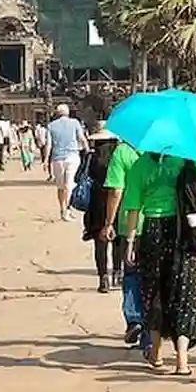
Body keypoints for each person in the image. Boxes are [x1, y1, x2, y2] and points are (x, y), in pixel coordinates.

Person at [123, 152, 196, 376]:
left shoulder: (141, 164)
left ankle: (155, 352)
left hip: (152, 231)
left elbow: (133, 207)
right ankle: (182, 360)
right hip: (182, 230)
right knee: (185, 291)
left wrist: (130, 241)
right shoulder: (188, 159)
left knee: (154, 290)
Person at [99, 134, 146, 347]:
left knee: (131, 274)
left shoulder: (122, 152)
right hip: (162, 221)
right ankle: (152, 333)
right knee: (153, 276)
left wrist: (108, 222)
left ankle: (134, 317)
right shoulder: (164, 152)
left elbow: (116, 190)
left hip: (130, 224)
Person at [82, 122, 121, 293]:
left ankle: (103, 276)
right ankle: (118, 273)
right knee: (118, 240)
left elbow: (82, 177)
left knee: (100, 241)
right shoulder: (117, 157)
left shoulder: (91, 157)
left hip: (97, 202)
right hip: (117, 200)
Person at [47, 104, 90, 222]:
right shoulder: (75, 122)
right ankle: (67, 209)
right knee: (68, 184)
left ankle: (63, 209)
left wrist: (46, 160)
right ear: (68, 112)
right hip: (72, 156)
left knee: (61, 187)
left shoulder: (51, 126)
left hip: (57, 158)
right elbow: (81, 137)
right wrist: (87, 150)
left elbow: (49, 145)